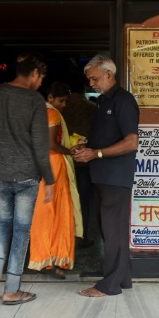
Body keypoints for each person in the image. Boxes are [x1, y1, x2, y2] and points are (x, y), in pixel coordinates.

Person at [0, 52, 54, 305]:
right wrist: (50, 180)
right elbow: (41, 145)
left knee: (3, 222)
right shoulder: (34, 99)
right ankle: (11, 290)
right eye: (41, 78)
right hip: (27, 175)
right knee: (21, 230)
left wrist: (2, 144)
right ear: (33, 74)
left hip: (0, 172)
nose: (40, 83)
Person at [71, 55, 139, 297]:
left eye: (95, 78)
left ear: (109, 74)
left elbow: (131, 142)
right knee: (109, 229)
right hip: (102, 175)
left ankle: (109, 285)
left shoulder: (123, 100)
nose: (91, 83)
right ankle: (122, 280)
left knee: (112, 230)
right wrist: (85, 147)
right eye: (89, 79)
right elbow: (107, 138)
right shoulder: (102, 102)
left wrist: (96, 154)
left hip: (115, 176)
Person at [28, 81, 82, 278]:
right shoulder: (52, 114)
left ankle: (44, 260)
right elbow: (51, 145)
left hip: (39, 164)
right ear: (50, 97)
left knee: (43, 213)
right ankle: (58, 258)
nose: (63, 105)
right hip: (54, 165)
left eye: (65, 101)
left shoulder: (35, 112)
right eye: (61, 100)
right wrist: (70, 151)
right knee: (59, 213)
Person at [62, 72, 97, 249]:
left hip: (64, 159)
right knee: (83, 200)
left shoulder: (61, 107)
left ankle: (64, 236)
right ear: (84, 86)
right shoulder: (91, 107)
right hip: (84, 160)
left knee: (65, 199)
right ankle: (80, 236)